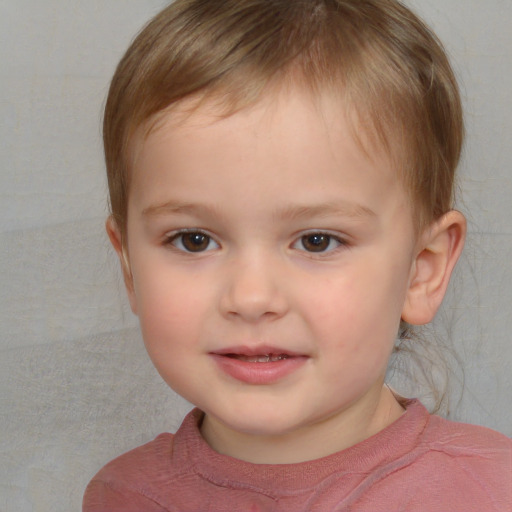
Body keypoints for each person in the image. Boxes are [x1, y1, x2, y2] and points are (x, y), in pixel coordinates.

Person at [83, 0, 511, 510]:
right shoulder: (125, 497)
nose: (251, 297)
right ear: (129, 264)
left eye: (317, 241)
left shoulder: (492, 490)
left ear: (422, 270)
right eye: (193, 240)